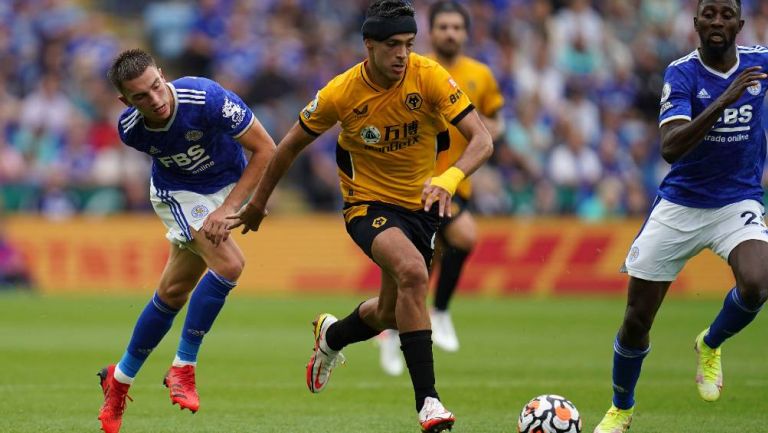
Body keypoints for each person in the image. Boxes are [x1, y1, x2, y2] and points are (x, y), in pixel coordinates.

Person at [227, 1, 492, 431]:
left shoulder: (429, 77)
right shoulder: (341, 92)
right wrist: (257, 203)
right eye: (392, 45)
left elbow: (482, 139)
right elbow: (288, 146)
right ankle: (429, 402)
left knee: (391, 312)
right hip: (367, 207)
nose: (402, 54)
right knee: (412, 273)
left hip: (421, 208)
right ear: (369, 45)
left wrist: (451, 176)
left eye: (408, 44)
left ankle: (332, 337)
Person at [594, 1, 768, 432]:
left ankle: (710, 343)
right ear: (695, 23)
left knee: (758, 283)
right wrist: (726, 99)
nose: (717, 22)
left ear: (740, 24)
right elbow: (671, 147)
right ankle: (622, 407)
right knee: (637, 319)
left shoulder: (760, 64)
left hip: (737, 202)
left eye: (726, 14)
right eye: (709, 13)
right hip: (680, 206)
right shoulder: (682, 73)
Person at [96, 48, 276, 433]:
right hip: (178, 195)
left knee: (173, 293)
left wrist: (228, 208)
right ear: (124, 101)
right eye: (141, 97)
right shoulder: (132, 131)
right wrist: (208, 213)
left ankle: (119, 379)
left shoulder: (207, 99)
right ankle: (183, 367)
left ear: (163, 74)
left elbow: (266, 149)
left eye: (156, 87)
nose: (155, 100)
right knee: (230, 264)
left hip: (225, 187)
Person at [377, 0, 505, 377]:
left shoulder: (480, 75)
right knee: (456, 242)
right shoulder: (413, 70)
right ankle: (429, 316)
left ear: (465, 33)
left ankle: (403, 326)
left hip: (455, 184)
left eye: (457, 27)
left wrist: (481, 135)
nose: (450, 33)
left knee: (419, 270)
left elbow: (495, 122)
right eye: (443, 27)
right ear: (429, 32)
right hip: (416, 185)